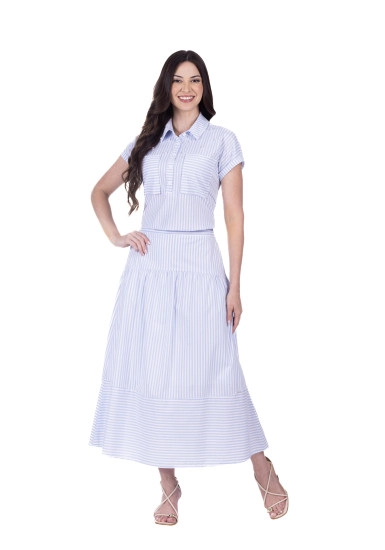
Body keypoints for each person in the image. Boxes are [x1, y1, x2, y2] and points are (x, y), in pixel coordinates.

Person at [88, 50, 288, 525]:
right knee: (156, 373)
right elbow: (98, 191)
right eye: (178, 80)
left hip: (200, 266)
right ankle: (168, 485)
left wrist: (235, 286)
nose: (186, 88)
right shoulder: (146, 141)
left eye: (195, 80)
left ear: (204, 87)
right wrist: (117, 236)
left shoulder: (222, 141)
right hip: (150, 270)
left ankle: (262, 468)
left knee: (219, 370)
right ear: (166, 86)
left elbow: (235, 216)